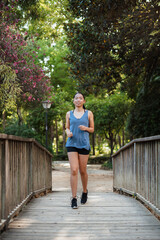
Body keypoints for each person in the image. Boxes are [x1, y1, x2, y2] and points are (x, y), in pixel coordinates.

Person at [65, 92, 94, 209]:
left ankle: (85, 191)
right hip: (71, 143)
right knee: (74, 170)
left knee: (83, 171)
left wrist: (85, 128)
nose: (78, 100)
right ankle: (73, 198)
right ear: (73, 101)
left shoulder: (89, 113)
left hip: (84, 144)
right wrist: (68, 132)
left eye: (80, 98)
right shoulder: (69, 113)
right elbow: (67, 127)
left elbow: (92, 129)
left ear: (84, 101)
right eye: (76, 98)